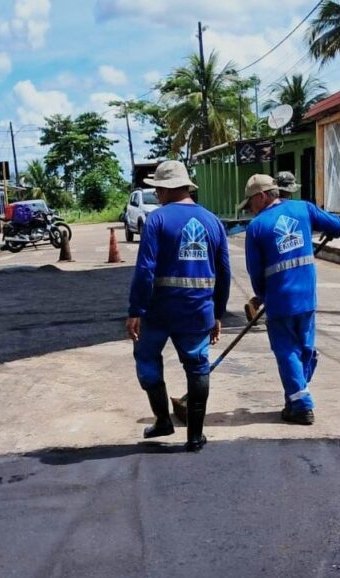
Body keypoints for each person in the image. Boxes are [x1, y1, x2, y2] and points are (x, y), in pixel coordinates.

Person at [127, 160, 230, 452]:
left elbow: (145, 270)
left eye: (157, 189)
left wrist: (136, 310)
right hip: (198, 312)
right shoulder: (213, 221)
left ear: (164, 189)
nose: (157, 194)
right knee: (198, 367)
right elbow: (224, 273)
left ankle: (163, 420)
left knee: (147, 359)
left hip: (158, 313)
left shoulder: (157, 220)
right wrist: (217, 314)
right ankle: (195, 437)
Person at [240, 174, 340, 425]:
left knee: (287, 350)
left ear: (262, 196)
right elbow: (337, 226)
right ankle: (296, 394)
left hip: (279, 300)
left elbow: (255, 272)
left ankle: (300, 403)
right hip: (307, 296)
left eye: (250, 202)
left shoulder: (257, 227)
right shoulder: (303, 208)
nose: (250, 208)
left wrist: (262, 296)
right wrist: (328, 231)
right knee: (304, 347)